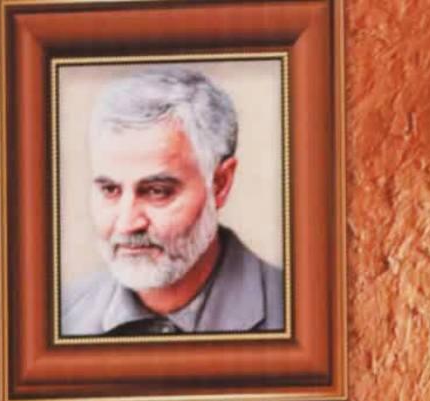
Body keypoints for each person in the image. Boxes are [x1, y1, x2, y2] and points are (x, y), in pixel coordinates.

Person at [60, 66, 284, 337]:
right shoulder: (59, 317)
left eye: (157, 191)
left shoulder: (298, 312)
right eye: (110, 190)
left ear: (220, 184)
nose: (127, 223)